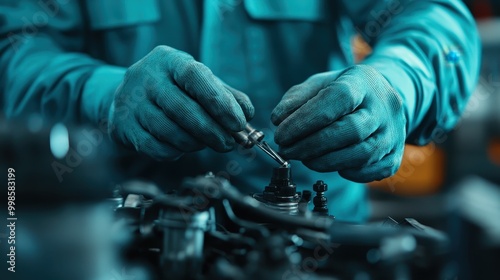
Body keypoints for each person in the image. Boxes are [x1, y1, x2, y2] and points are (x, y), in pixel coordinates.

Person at [0, 0, 480, 222]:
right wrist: (103, 94)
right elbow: (15, 52)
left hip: (319, 247)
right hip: (126, 240)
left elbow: (433, 16)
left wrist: (399, 80)